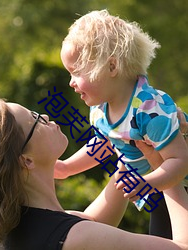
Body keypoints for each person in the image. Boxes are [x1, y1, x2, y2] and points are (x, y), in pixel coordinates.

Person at [0, 98, 188, 250]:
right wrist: (165, 164)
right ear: (26, 160)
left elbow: (93, 221)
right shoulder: (76, 238)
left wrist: (127, 138)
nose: (44, 116)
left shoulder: (10, 235)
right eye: (35, 120)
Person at [58, 9, 188, 239]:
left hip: (178, 189)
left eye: (76, 72)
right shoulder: (100, 108)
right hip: (156, 191)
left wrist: (146, 182)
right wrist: (67, 167)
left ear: (111, 67)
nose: (71, 82)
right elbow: (104, 143)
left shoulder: (148, 109)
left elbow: (180, 160)